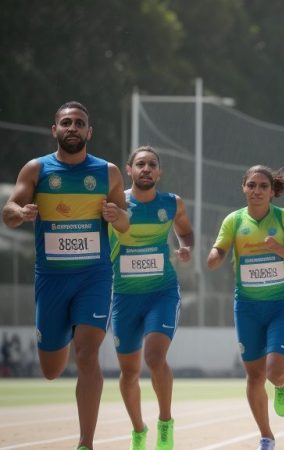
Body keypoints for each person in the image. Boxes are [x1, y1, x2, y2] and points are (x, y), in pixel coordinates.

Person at [3, 101, 130, 450]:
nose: (72, 128)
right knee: (51, 369)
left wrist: (114, 213)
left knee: (88, 354)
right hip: (52, 279)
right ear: (54, 130)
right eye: (66, 123)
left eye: (79, 123)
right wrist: (21, 211)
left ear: (89, 132)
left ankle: (85, 443)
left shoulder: (108, 172)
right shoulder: (36, 169)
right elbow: (8, 211)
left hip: (94, 276)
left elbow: (125, 221)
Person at [206, 165, 284, 450]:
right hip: (247, 307)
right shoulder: (233, 221)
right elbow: (218, 251)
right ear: (243, 188)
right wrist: (214, 257)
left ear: (272, 192)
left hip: (282, 305)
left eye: (263, 186)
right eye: (251, 185)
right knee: (254, 375)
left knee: (274, 372)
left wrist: (279, 249)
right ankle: (266, 436)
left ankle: (282, 385)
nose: (256, 191)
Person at [112, 146, 194, 450]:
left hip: (162, 293)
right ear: (129, 170)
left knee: (155, 357)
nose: (146, 169)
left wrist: (185, 247)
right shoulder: (116, 203)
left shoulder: (172, 204)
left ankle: (165, 421)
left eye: (152, 165)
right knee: (129, 371)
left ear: (159, 172)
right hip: (124, 296)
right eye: (140, 164)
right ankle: (137, 429)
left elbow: (186, 232)